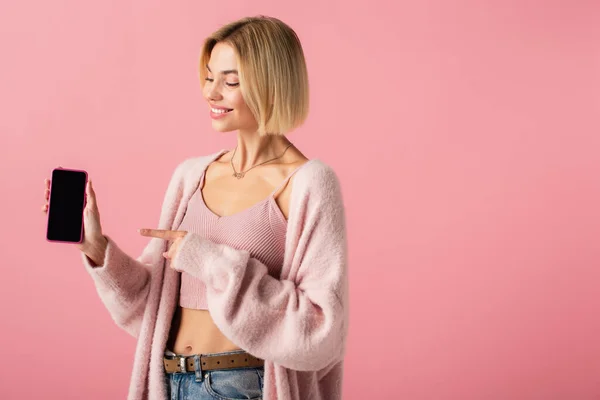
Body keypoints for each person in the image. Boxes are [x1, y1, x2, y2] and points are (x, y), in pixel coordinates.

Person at [42, 15, 349, 400]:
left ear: (273, 86)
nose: (212, 92)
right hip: (169, 380)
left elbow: (321, 330)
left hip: (244, 384)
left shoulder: (309, 183)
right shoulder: (191, 175)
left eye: (230, 81)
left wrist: (208, 260)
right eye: (209, 77)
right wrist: (98, 248)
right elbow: (151, 306)